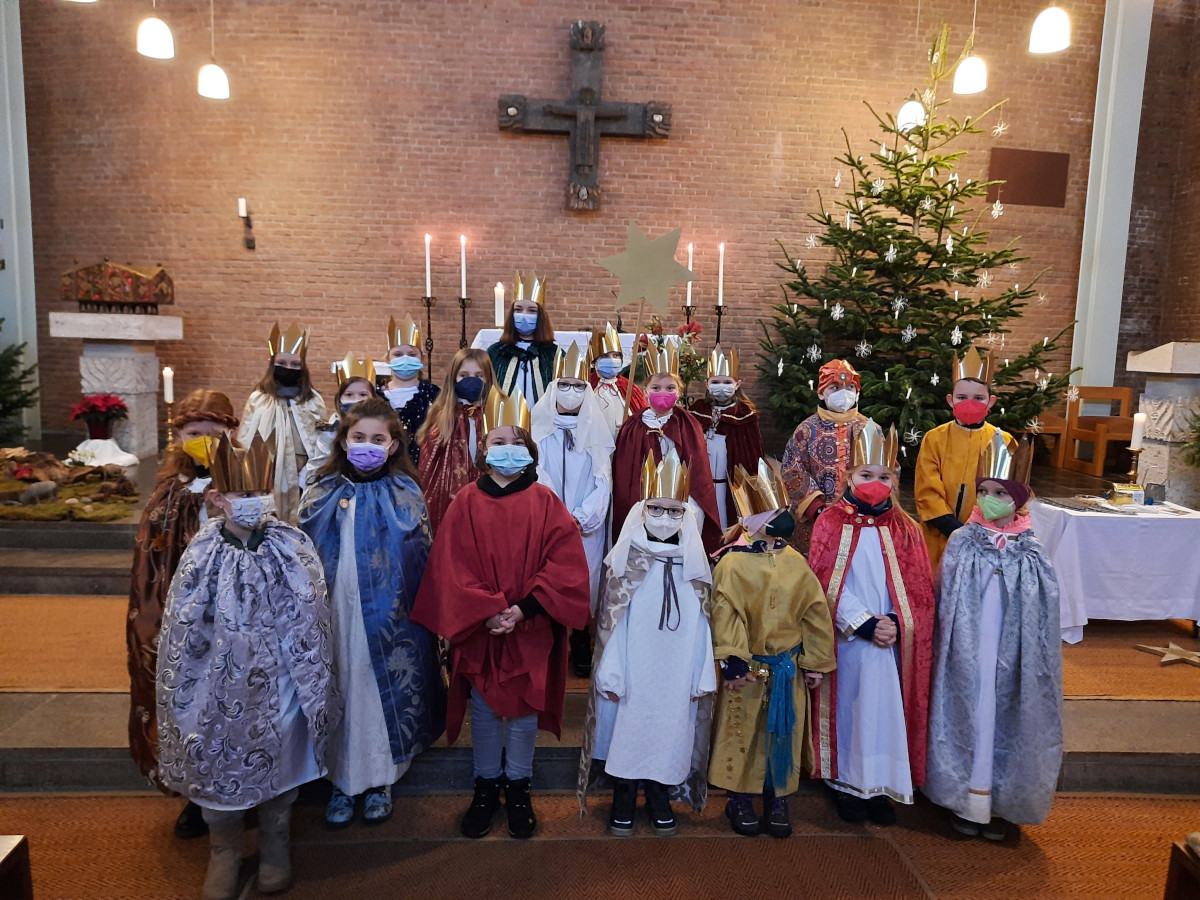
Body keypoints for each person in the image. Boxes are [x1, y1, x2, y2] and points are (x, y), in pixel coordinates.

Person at [156, 434, 339, 900]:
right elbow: (184, 621)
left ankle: (277, 840)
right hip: (218, 682)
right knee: (217, 752)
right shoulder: (202, 552)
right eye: (241, 495)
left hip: (282, 676)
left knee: (283, 752)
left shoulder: (290, 542)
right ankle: (225, 848)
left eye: (260, 493)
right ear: (217, 498)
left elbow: (311, 605)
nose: (254, 502)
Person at [411, 386, 590, 841]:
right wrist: (489, 610)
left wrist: (522, 609)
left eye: (516, 443)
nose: (507, 450)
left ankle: (520, 786)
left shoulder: (546, 501)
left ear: (529, 452)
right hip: (481, 626)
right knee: (487, 707)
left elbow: (565, 564)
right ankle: (486, 786)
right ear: (483, 449)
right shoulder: (466, 500)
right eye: (498, 442)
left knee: (525, 709)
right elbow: (451, 564)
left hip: (530, 624)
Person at [299, 398, 446, 829]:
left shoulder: (406, 492)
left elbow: (420, 559)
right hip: (336, 617)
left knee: (376, 693)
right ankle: (341, 782)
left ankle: (381, 779)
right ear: (343, 442)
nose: (367, 445)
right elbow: (303, 555)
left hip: (389, 620)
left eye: (377, 439)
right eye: (358, 437)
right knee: (342, 687)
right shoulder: (320, 492)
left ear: (394, 443)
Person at [925, 433, 1063, 842]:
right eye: (982, 490)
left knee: (1005, 716)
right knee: (971, 713)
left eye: (998, 492)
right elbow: (945, 593)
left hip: (1012, 651)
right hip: (967, 649)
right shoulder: (963, 539)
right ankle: (965, 802)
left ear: (1018, 497)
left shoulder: (1032, 547)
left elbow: (1044, 605)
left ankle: (1002, 803)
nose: (987, 498)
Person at [577, 450, 716, 837]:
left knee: (669, 732)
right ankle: (624, 794)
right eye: (656, 509)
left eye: (675, 512)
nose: (665, 518)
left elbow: (706, 625)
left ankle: (659, 793)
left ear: (687, 516)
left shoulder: (695, 568)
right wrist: (612, 670)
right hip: (633, 670)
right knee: (629, 728)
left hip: (676, 672)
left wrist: (702, 672)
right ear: (641, 510)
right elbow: (611, 627)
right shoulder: (625, 565)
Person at [807, 421, 935, 826]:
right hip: (849, 639)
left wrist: (897, 622)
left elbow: (920, 587)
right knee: (850, 709)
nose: (875, 483)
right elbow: (821, 580)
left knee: (885, 711)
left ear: (896, 479)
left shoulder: (906, 527)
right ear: (848, 476)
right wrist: (863, 623)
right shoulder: (830, 521)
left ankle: (879, 785)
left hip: (893, 640)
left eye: (885, 476)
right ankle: (846, 784)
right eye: (866, 475)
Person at [127, 389, 238, 840]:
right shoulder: (168, 492)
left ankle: (243, 788)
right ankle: (195, 796)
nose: (205, 441)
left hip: (234, 614)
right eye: (195, 433)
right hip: (182, 616)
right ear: (179, 437)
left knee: (232, 701)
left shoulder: (248, 478)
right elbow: (152, 560)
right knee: (188, 707)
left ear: (232, 433)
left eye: (215, 433)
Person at [708, 458, 835, 838]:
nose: (781, 518)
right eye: (771, 512)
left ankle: (777, 797)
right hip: (748, 670)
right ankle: (739, 798)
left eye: (782, 510)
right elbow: (724, 610)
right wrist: (732, 659)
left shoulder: (796, 561)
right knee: (742, 733)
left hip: (787, 669)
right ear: (749, 521)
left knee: (783, 732)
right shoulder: (731, 565)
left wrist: (814, 661)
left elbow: (814, 611)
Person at [530, 341, 614, 678]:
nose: (571, 392)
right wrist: (556, 515)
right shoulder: (538, 432)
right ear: (553, 389)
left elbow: (603, 480)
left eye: (579, 386)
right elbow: (535, 473)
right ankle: (548, 640)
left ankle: (580, 637)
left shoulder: (595, 432)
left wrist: (581, 516)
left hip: (584, 526)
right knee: (546, 577)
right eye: (564, 385)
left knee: (585, 580)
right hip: (547, 524)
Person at [612, 340, 722, 554]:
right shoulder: (634, 424)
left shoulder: (688, 423)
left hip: (680, 500)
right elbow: (626, 473)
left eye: (670, 388)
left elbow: (697, 468)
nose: (663, 392)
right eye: (656, 388)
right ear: (645, 392)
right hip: (643, 500)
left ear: (679, 392)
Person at [914, 346, 1014, 573]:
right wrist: (948, 524)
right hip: (941, 531)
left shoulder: (1004, 440)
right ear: (951, 400)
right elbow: (926, 487)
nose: (970, 403)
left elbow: (1011, 489)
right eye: (962, 397)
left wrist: (986, 526)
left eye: (979, 398)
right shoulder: (935, 438)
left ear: (991, 401)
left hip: (986, 534)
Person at [237, 322, 328, 524]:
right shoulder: (258, 398)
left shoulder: (313, 400)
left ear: (303, 367)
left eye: (295, 365)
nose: (289, 369)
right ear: (271, 363)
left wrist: (311, 472)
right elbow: (246, 438)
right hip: (268, 470)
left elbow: (322, 439)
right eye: (283, 363)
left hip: (304, 470)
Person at [781, 359, 868, 554]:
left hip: (861, 518)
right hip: (816, 522)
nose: (844, 393)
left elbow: (887, 469)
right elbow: (792, 470)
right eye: (835, 388)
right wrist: (817, 508)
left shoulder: (869, 429)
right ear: (821, 392)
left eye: (850, 387)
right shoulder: (806, 430)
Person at [416, 347, 494, 534]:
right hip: (448, 493)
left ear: (488, 379)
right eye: (464, 375)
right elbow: (429, 462)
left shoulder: (494, 413)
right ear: (453, 378)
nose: (471, 380)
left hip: (488, 491)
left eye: (479, 375)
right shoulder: (442, 414)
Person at [689, 345, 764, 532]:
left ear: (737, 384)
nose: (721, 386)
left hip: (728, 484)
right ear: (707, 384)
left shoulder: (745, 414)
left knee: (725, 524)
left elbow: (753, 454)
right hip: (699, 484)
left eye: (726, 382)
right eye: (715, 382)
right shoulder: (698, 410)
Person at [304, 355, 378, 489]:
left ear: (373, 398)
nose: (356, 400)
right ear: (340, 400)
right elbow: (317, 469)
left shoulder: (383, 429)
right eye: (349, 395)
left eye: (363, 395)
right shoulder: (329, 433)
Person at [487, 272, 558, 404]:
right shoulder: (496, 352)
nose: (524, 315)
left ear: (541, 316)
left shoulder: (553, 354)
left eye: (532, 311)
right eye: (518, 309)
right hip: (506, 421)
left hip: (540, 420)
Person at [382, 315, 439, 464]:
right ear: (388, 359)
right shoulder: (375, 397)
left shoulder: (435, 395)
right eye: (398, 354)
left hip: (424, 468)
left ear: (423, 359)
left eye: (412, 354)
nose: (405, 359)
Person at [588, 322, 646, 437]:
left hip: (624, 441)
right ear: (594, 361)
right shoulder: (586, 385)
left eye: (616, 356)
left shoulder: (629, 387)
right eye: (605, 356)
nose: (612, 360)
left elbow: (642, 418)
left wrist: (631, 426)